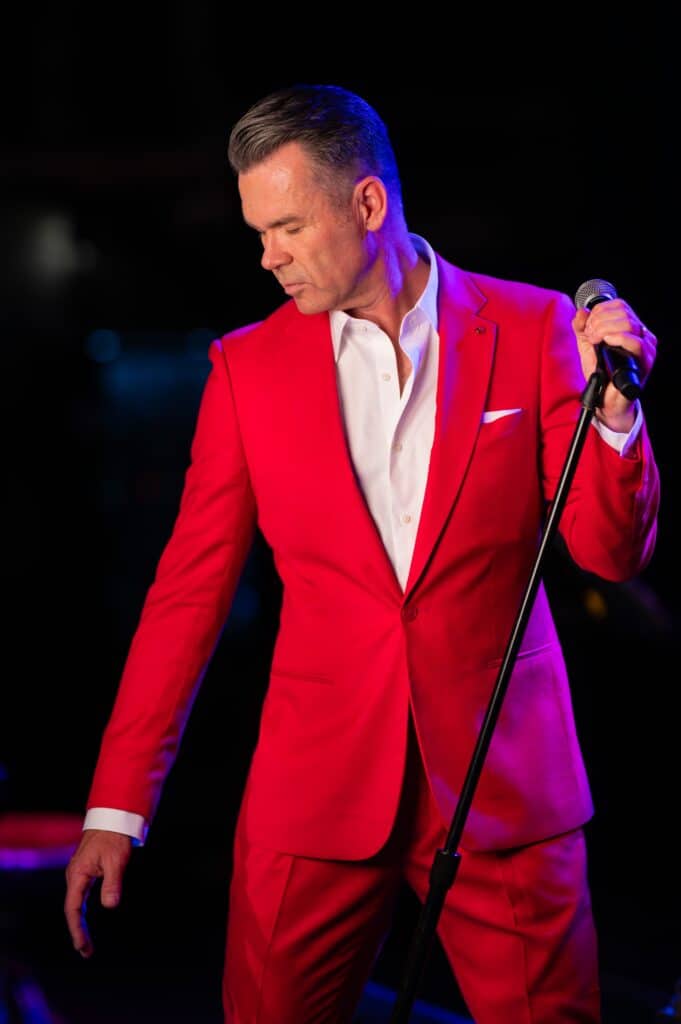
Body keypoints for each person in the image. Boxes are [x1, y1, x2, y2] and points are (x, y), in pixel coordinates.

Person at [64, 83, 660, 1024]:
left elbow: (609, 555)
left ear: (368, 204)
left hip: (502, 785)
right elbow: (186, 598)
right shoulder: (245, 369)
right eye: (260, 232)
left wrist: (617, 417)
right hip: (314, 790)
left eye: (288, 227)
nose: (267, 256)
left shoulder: (537, 328)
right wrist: (116, 806)